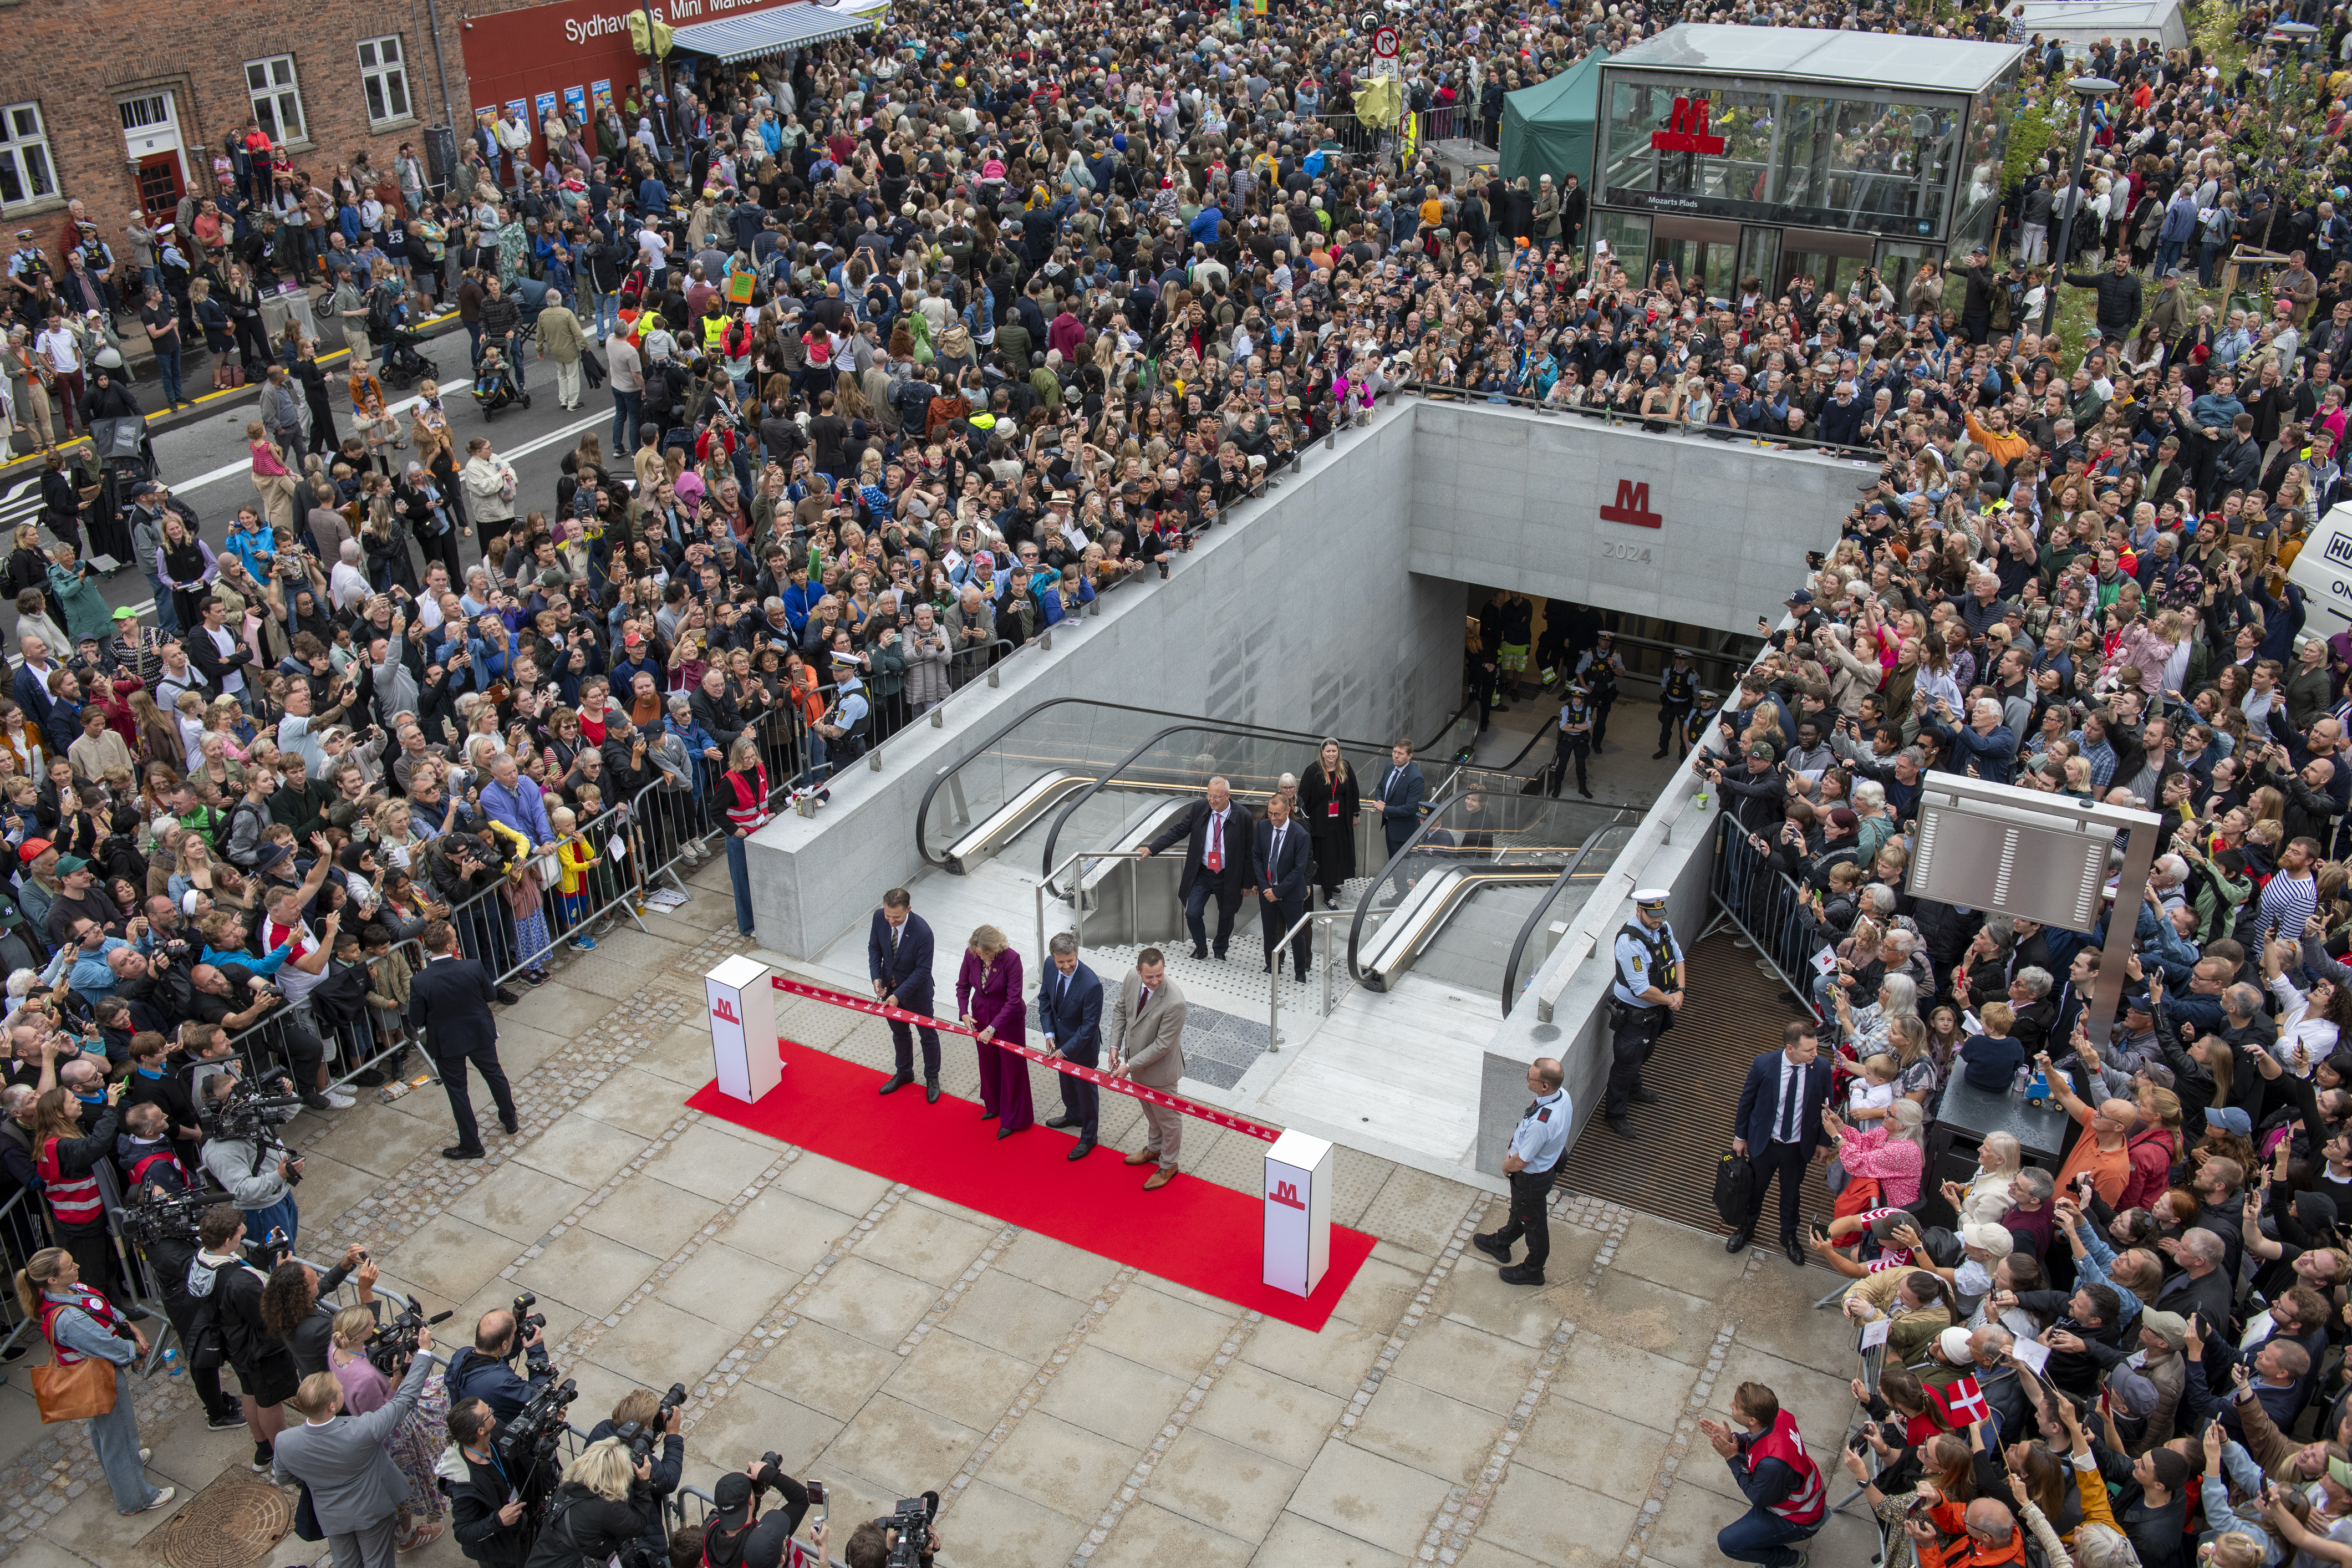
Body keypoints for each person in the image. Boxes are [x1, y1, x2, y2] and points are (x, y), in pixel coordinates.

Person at [18, 1246, 173, 1515]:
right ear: (53, 1280)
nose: (76, 1266)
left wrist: (129, 1325)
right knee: (120, 1436)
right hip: (99, 1377)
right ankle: (135, 1499)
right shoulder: (69, 1319)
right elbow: (109, 1347)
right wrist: (137, 1348)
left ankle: (121, 1472)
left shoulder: (64, 1291)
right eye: (69, 1266)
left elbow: (103, 1307)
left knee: (105, 1432)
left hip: (90, 1375)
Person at [271, 1348, 438, 1568]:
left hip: (332, 1517)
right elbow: (404, 1400)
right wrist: (424, 1352)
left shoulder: (284, 1441)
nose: (343, 1389)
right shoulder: (363, 1429)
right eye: (340, 1390)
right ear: (332, 1407)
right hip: (372, 1512)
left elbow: (283, 1478)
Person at [187, 1204, 301, 1474]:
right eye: (241, 1231)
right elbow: (267, 1314)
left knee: (250, 1391)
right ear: (228, 1241)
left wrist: (266, 1248)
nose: (245, 1230)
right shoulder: (239, 1283)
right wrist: (282, 1274)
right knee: (269, 1401)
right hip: (259, 1348)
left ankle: (263, 1451)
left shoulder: (203, 1258)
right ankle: (282, 1461)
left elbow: (239, 1267)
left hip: (235, 1344)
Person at [405, 917, 516, 1160]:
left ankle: (472, 1145)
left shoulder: (420, 981)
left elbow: (416, 1017)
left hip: (447, 1041)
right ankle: (510, 1119)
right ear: (449, 946)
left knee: (458, 1092)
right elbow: (490, 994)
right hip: (478, 1032)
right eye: (455, 938)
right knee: (494, 1074)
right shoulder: (472, 967)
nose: (457, 941)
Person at [1728, 1021, 1832, 1265]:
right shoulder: (1764, 1064)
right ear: (1790, 1048)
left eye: (1816, 1048)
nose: (1815, 1054)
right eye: (1809, 1050)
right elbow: (1747, 1102)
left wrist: (1824, 1142)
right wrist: (1740, 1137)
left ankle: (1789, 1236)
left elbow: (1827, 1106)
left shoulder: (1822, 1067)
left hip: (1798, 1147)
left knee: (1791, 1194)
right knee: (1755, 1189)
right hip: (1765, 1143)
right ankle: (1747, 1227)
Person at [1698, 1381, 1826, 1568]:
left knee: (1729, 1543)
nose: (1731, 1405)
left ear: (1753, 1420)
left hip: (1800, 1518)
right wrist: (1734, 1439)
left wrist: (1732, 1458)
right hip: (1807, 1494)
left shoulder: (1772, 1465)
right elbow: (1755, 1442)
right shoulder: (1779, 1416)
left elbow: (1758, 1498)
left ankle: (1791, 1561)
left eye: (1737, 1405)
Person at [1473, 1057, 1571, 1285]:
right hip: (1543, 1171)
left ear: (1545, 1086)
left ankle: (1533, 1270)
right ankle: (1501, 1243)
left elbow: (1522, 1162)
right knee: (1521, 1210)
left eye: (1530, 1077)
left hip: (1530, 1179)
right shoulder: (1562, 1096)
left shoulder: (1542, 1123)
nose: (1526, 1079)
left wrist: (1507, 1167)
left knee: (1534, 1224)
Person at [1139, 776, 1253, 961]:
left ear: (1228, 795)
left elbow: (1250, 850)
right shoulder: (1200, 808)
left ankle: (1220, 949)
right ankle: (1201, 948)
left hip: (1229, 875)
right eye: (1209, 795)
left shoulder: (1243, 816)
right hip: (1203, 872)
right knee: (1192, 913)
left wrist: (1248, 882)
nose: (1212, 800)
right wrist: (1152, 848)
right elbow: (1179, 830)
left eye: (1217, 796)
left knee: (1227, 914)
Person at [1604, 889, 1686, 1138]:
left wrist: (1680, 990)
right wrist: (1672, 1000)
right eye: (1652, 916)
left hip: (1657, 1008)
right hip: (1636, 1013)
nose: (1658, 920)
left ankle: (1634, 1088)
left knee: (1644, 1053)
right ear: (1639, 911)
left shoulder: (1662, 927)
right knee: (1626, 1063)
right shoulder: (1630, 944)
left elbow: (1678, 958)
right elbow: (1641, 989)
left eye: (1660, 915)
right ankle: (1615, 1114)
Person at [1109, 947, 1187, 1190]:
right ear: (1138, 971)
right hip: (1137, 1067)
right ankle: (1155, 1149)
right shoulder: (1132, 979)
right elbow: (1121, 1010)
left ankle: (1169, 1164)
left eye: (1160, 976)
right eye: (1149, 977)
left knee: (1169, 1119)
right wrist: (1114, 1046)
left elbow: (1163, 1045)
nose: (1155, 981)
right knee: (1151, 1113)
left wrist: (1129, 1066)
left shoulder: (1175, 1002)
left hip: (1160, 1072)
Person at [523, 1437, 658, 1568]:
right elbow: (637, 1526)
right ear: (619, 1474)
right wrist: (644, 1484)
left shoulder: (566, 1487)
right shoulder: (607, 1506)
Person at [955, 924, 1030, 1137]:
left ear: (994, 948)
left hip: (1008, 1019)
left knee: (1011, 1066)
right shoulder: (971, 955)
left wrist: (993, 1027)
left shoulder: (1012, 959)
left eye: (984, 953)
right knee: (987, 1062)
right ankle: (994, 1104)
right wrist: (964, 1012)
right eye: (977, 952)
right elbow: (962, 986)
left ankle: (1014, 1117)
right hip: (980, 1013)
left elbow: (1014, 999)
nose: (980, 956)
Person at [1037, 931, 1104, 1159]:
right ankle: (1073, 1114)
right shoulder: (1049, 966)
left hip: (1081, 1048)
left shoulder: (1091, 984)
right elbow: (1045, 1000)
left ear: (1077, 954)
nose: (1066, 967)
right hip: (1058, 1041)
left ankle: (1089, 1136)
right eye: (1061, 962)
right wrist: (1048, 1033)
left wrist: (1065, 1051)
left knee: (1086, 1091)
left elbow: (1089, 1026)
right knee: (1066, 1083)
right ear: (1053, 958)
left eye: (1070, 961)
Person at [870, 888, 940, 1101]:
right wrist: (876, 977)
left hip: (917, 993)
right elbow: (875, 949)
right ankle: (904, 1073)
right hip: (888, 989)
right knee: (899, 1033)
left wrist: (899, 994)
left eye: (896, 917)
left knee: (927, 1036)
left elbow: (923, 971)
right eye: (888, 915)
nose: (891, 921)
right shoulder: (879, 918)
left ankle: (932, 1078)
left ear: (908, 910)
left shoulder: (923, 933)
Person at [1254, 792, 1317, 981]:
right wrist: (1267, 888)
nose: (1273, 818)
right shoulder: (1263, 827)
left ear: (1288, 811)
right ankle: (1272, 965)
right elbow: (1257, 857)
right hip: (1268, 891)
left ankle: (1300, 972)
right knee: (1270, 930)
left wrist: (1278, 892)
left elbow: (1299, 869)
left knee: (1296, 933)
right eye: (1270, 813)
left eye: (1277, 814)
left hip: (1290, 894)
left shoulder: (1300, 834)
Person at [1297, 739, 1360, 910]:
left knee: (1338, 856)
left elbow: (1353, 791)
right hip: (1322, 826)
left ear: (1338, 752)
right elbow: (1303, 798)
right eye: (1328, 751)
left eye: (1334, 751)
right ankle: (1328, 897)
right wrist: (1306, 821)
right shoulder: (1313, 771)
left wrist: (1356, 814)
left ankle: (1331, 883)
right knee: (1327, 859)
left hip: (1341, 823)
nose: (1331, 754)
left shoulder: (1345, 767)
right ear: (1322, 752)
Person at [716, 734, 767, 936]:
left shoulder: (759, 769)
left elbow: (763, 794)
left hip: (760, 830)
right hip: (741, 837)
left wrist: (768, 812)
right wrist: (733, 830)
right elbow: (716, 812)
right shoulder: (728, 782)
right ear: (738, 758)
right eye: (746, 758)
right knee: (742, 881)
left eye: (753, 756)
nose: (751, 761)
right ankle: (748, 926)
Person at [1371, 739, 1428, 865]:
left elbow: (1410, 808)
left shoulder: (1416, 777)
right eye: (1394, 752)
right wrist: (1379, 800)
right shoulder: (1390, 767)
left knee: (1403, 870)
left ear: (1409, 756)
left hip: (1404, 834)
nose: (1396, 756)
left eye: (1400, 753)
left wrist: (1384, 809)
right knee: (1394, 867)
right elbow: (1380, 786)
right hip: (1390, 828)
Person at [1551, 683, 1595, 800]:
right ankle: (1557, 787)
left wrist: (1573, 725)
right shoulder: (1566, 708)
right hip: (1567, 740)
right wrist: (1580, 727)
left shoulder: (1588, 708)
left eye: (1579, 698)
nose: (1576, 699)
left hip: (1580, 740)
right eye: (1575, 697)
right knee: (1562, 765)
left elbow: (1588, 726)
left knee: (1581, 766)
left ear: (1582, 699)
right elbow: (1563, 727)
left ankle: (1583, 788)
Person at [1656, 648, 1701, 760]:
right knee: (1665, 728)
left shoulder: (1693, 675)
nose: (1679, 661)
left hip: (1684, 707)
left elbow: (1696, 691)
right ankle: (1663, 749)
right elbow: (1664, 685)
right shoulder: (1668, 671)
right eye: (1678, 659)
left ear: (1687, 660)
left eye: (1682, 659)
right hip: (1669, 704)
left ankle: (1683, 753)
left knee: (1684, 730)